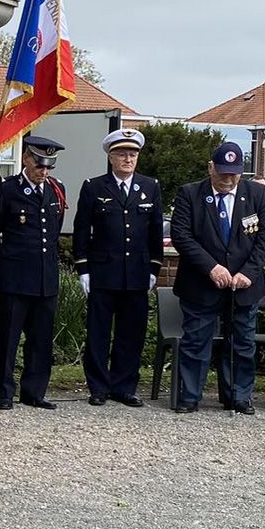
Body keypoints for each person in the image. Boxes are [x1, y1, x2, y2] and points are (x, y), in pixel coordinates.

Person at [169, 141, 265, 414]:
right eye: (223, 173)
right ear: (210, 167)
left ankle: (238, 396)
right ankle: (190, 395)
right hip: (201, 284)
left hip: (244, 286)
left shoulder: (256, 194)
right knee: (196, 342)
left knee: (242, 343)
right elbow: (182, 236)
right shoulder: (190, 194)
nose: (228, 180)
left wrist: (248, 272)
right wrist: (211, 268)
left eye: (234, 174)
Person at [72, 128, 164, 407]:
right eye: (122, 154)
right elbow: (81, 230)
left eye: (132, 154)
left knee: (131, 333)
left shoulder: (150, 186)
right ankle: (98, 387)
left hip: (136, 273)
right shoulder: (94, 187)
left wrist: (154, 268)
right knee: (98, 333)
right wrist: (83, 269)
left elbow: (155, 231)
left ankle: (124, 387)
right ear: (111, 157)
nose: (128, 159)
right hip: (103, 272)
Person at [0, 134, 67, 410]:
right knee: (8, 339)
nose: (44, 171)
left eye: (49, 166)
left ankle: (34, 392)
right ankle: (5, 392)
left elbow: (53, 232)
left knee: (41, 339)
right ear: (26, 159)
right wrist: (1, 267)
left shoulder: (56, 189)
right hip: (14, 278)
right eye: (39, 165)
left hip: (45, 278)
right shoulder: (8, 189)